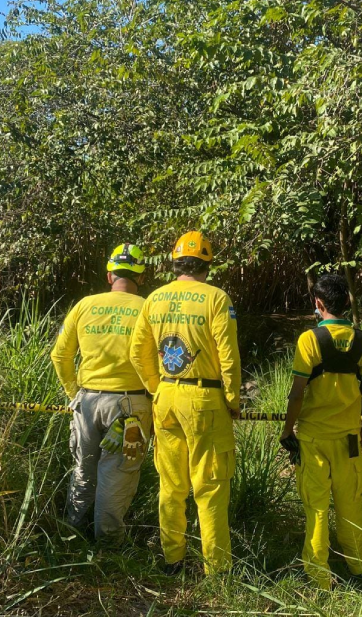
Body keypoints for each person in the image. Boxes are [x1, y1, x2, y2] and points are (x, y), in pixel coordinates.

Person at [129, 231, 241, 576]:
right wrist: (233, 398)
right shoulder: (217, 299)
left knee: (171, 485)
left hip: (166, 397)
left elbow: (137, 352)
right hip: (205, 400)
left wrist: (156, 387)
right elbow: (228, 355)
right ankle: (217, 570)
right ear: (207, 264)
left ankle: (172, 560)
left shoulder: (154, 298)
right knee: (210, 487)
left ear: (175, 264)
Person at [278, 273, 362, 590]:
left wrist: (286, 431)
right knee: (350, 503)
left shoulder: (309, 340)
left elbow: (297, 394)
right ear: (346, 304)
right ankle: (358, 569)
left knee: (317, 507)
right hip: (349, 439)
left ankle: (319, 576)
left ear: (318, 304)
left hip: (312, 439)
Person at [50, 243, 152, 542]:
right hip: (131, 406)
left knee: (84, 470)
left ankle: (72, 536)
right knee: (117, 476)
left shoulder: (84, 305)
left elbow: (60, 356)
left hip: (87, 401)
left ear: (109, 276)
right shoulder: (149, 307)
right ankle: (108, 549)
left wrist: (74, 395)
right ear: (142, 278)